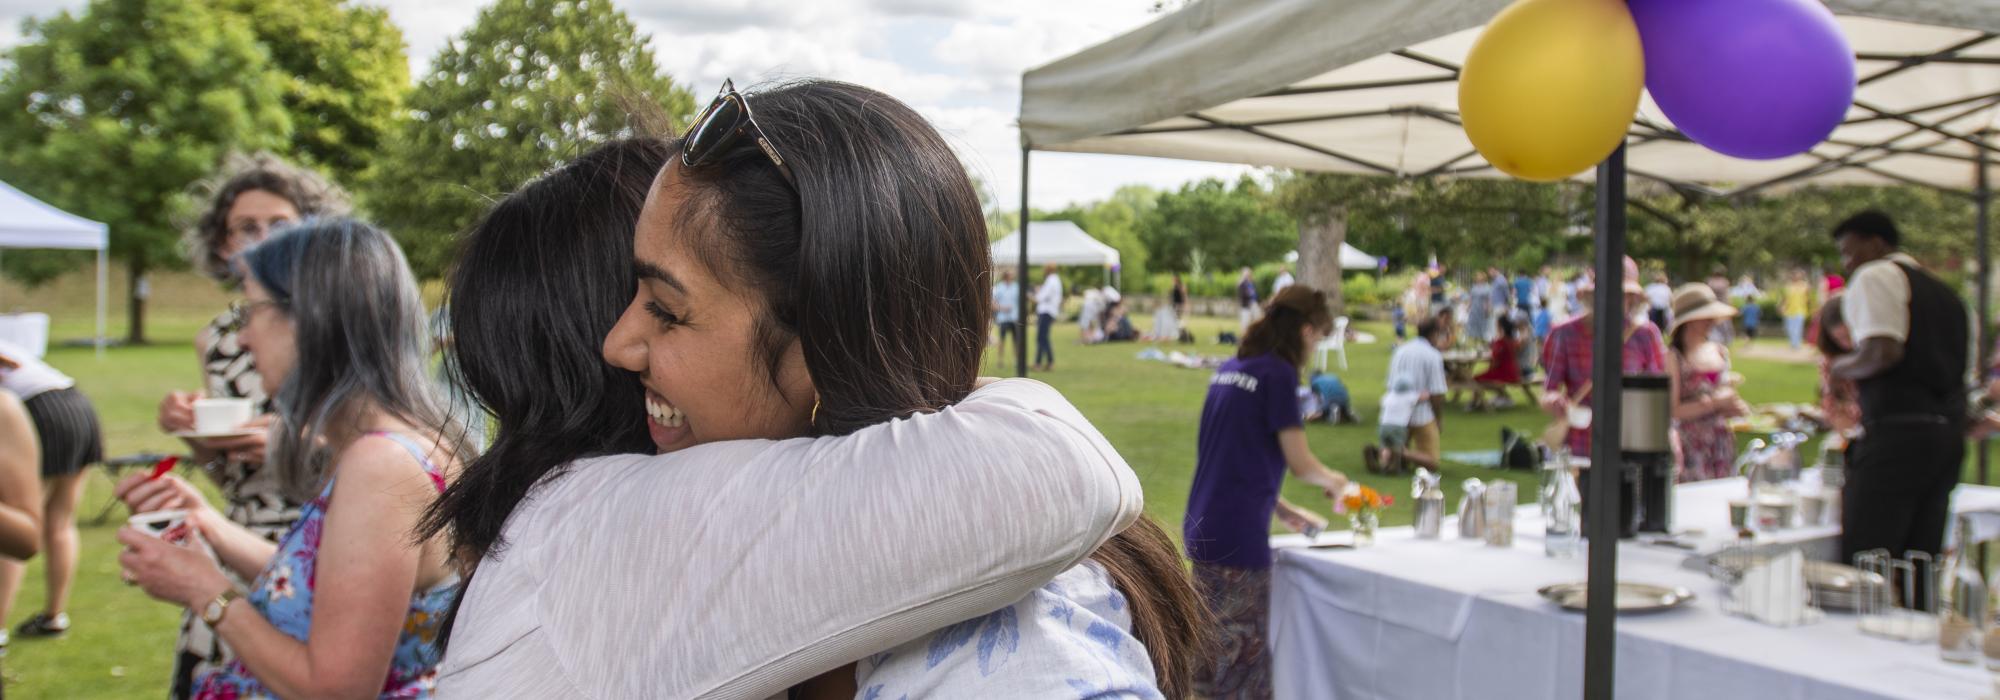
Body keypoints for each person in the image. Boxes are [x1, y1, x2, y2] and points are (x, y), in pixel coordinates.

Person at [431, 84, 1198, 698]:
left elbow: (1049, 475)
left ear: (820, 353)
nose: (619, 344)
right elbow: (1053, 468)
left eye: (666, 308)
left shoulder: (1015, 650)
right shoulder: (600, 530)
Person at [116, 218, 474, 698]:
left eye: (252, 310)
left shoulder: (380, 465)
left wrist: (207, 593)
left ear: (311, 320)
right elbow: (343, 594)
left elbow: (336, 688)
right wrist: (205, 523)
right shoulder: (401, 445)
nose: (242, 339)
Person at [155, 153, 342, 696]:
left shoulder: (332, 320)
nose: (261, 239)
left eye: (279, 225)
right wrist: (195, 434)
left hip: (319, 537)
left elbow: (391, 449)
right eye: (246, 228)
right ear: (222, 244)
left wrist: (294, 444)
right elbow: (223, 474)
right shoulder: (217, 338)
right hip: (236, 531)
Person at [1185, 284, 1350, 699]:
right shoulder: (1278, 374)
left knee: (1207, 665)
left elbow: (1231, 457)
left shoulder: (1230, 368)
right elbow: (1299, 461)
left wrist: (1281, 507)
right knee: (1242, 673)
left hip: (1204, 524)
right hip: (1238, 542)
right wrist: (1337, 482)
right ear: (1307, 331)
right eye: (1318, 337)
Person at [1827, 210, 1969, 571]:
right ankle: (1918, 623)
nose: (1847, 263)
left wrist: (1840, 366)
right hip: (1946, 436)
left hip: (1898, 434)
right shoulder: (1946, 294)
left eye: (1849, 252)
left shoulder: (1875, 274)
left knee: (1868, 556)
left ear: (1876, 243)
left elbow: (1883, 351)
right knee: (1920, 560)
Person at [0, 341, 97, 648]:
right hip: (75, 403)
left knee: (17, 521)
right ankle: (54, 614)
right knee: (60, 522)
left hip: (39, 409)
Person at [1540, 256, 1668, 457]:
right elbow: (1549, 389)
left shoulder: (1645, 334)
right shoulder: (1564, 333)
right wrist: (1555, 402)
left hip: (1632, 440)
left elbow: (1657, 392)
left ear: (1631, 299)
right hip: (1582, 442)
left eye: (1622, 295)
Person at [1666, 285, 1749, 482]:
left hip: (1720, 441)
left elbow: (1724, 395)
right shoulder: (1674, 357)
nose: (1711, 321)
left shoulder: (1719, 351)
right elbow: (1673, 410)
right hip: (1691, 443)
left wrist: (1734, 407)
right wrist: (1714, 403)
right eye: (1705, 316)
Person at [1388, 318, 1450, 461]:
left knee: (1401, 445)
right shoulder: (1433, 355)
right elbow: (1437, 393)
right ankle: (1401, 454)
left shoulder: (1400, 351)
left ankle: (1392, 454)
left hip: (1396, 412)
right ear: (1434, 334)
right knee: (1431, 461)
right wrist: (1438, 418)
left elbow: (1390, 385)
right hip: (1422, 415)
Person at [1815, 294, 1862, 440]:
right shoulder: (1829, 360)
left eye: (1849, 337)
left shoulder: (1872, 356)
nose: (1846, 344)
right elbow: (1831, 402)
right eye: (1839, 339)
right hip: (1845, 427)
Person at [1471, 314, 1524, 410]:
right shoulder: (1511, 340)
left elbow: (1496, 361)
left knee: (1476, 379)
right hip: (1514, 371)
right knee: (1482, 377)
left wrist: (1489, 368)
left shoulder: (1500, 341)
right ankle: (1502, 397)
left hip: (1504, 372)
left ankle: (1475, 403)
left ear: (1499, 326)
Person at [1034, 262, 1062, 371]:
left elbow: (1041, 297)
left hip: (1046, 311)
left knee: (1042, 338)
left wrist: (1034, 295)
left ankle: (1049, 362)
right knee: (1042, 338)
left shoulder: (1051, 281)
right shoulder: (1055, 280)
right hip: (1049, 311)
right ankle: (1038, 362)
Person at [992, 268, 1020, 367]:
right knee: (1002, 340)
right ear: (1006, 276)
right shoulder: (999, 288)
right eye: (1010, 275)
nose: (1012, 277)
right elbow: (992, 303)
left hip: (1014, 318)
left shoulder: (1016, 287)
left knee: (1016, 340)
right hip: (1003, 318)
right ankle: (1000, 360)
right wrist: (1002, 308)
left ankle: (1017, 360)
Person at [1781, 269, 1813, 350]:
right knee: (1789, 329)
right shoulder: (1788, 286)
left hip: (1800, 310)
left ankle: (1796, 345)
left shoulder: (1805, 285)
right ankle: (1793, 343)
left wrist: (1810, 307)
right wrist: (1782, 306)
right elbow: (1785, 298)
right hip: (1789, 310)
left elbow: (1808, 298)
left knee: (1797, 328)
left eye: (1798, 275)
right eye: (1795, 275)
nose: (1796, 277)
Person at [1152, 272, 1186, 342]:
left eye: (1174, 279)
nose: (1172, 280)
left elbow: (1183, 297)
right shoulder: (1173, 287)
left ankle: (1174, 333)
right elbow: (1171, 298)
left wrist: (1183, 306)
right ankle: (1164, 333)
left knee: (1173, 318)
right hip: (1173, 307)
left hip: (1178, 306)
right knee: (1165, 315)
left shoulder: (1181, 287)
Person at [1732, 274, 1763, 343]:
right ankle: (1748, 344)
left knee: (1746, 334)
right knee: (1751, 335)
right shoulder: (1756, 306)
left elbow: (1740, 313)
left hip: (1746, 323)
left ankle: (1746, 343)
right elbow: (1760, 314)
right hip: (1754, 323)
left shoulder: (1746, 306)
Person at [1467, 270, 1493, 343]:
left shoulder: (1487, 287)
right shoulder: (1474, 287)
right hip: (1474, 309)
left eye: (1480, 278)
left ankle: (1483, 341)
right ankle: (1474, 341)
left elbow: (1489, 299)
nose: (1478, 279)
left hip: (1482, 309)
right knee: (1473, 324)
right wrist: (1468, 307)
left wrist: (1488, 308)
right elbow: (1471, 298)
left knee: (1483, 325)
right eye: (1477, 278)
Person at [1237, 266, 1260, 334]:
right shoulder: (1241, 284)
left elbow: (1255, 293)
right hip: (1246, 305)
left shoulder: (1252, 283)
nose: (1247, 275)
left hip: (1254, 303)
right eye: (1246, 274)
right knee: (1245, 322)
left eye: (1248, 273)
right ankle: (1244, 336)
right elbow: (1242, 295)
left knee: (1257, 320)